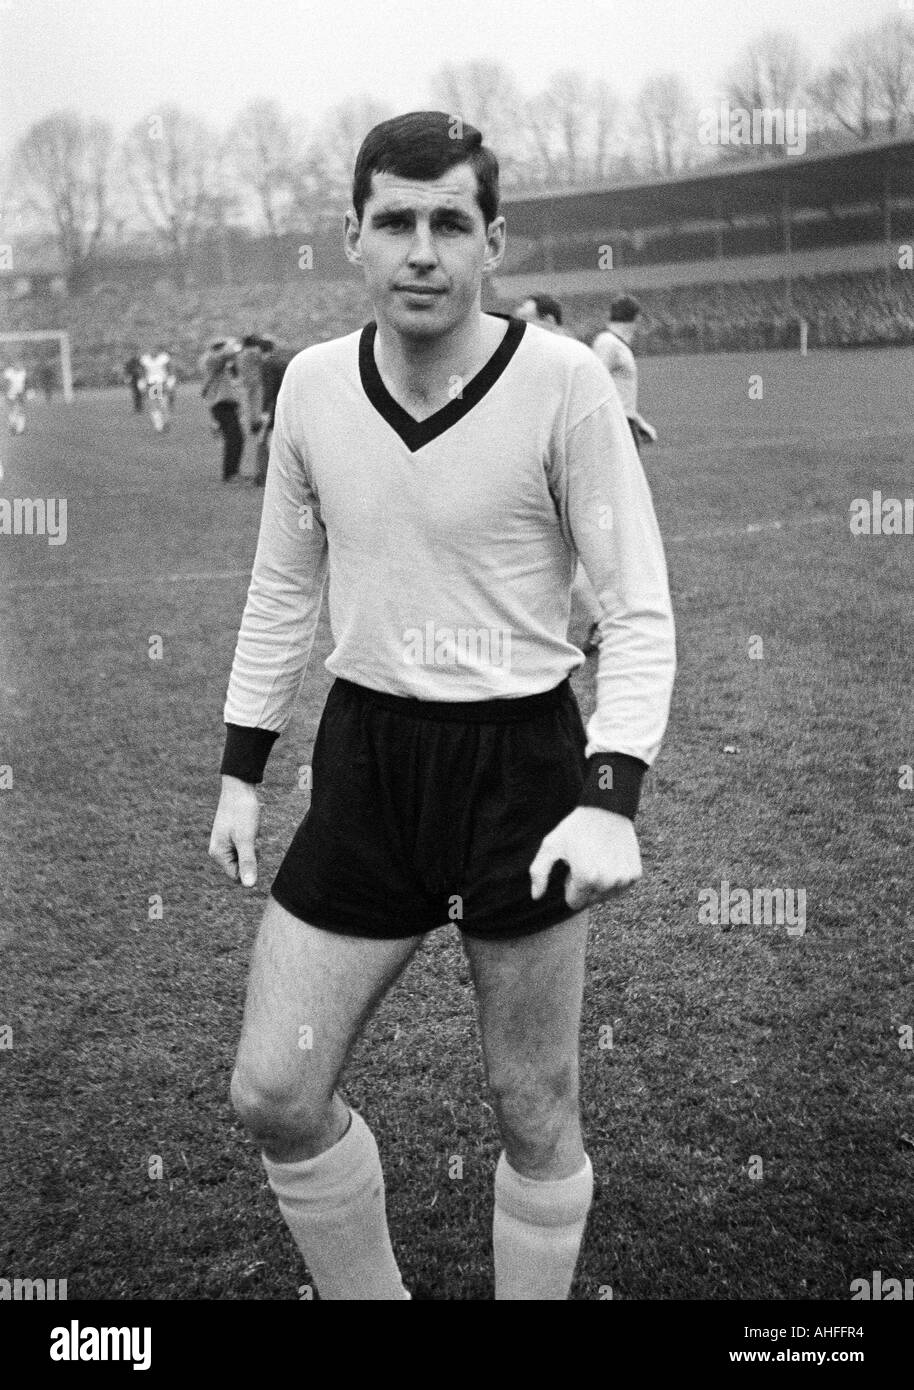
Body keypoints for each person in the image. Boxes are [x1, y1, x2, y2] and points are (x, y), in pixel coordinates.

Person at [209, 111, 676, 1301]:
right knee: (274, 1088)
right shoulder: (312, 385)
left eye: (449, 223)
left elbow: (636, 610)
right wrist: (240, 765)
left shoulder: (564, 382)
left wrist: (610, 792)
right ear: (353, 241)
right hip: (364, 761)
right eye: (395, 222)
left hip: (519, 767)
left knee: (533, 1104)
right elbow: (280, 585)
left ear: (492, 244)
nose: (421, 249)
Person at [514, 292, 601, 655]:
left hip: (573, 468)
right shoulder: (533, 355)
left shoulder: (569, 358)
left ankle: (606, 622)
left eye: (528, 319)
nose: (520, 326)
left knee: (570, 547)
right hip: (544, 467)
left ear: (549, 319)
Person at [591, 296, 657, 453]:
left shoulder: (616, 343)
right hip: (614, 425)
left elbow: (618, 392)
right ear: (636, 318)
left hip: (624, 422)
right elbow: (593, 384)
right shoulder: (608, 343)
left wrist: (638, 422)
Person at [200, 338, 244, 483]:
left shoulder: (221, 363)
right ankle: (230, 474)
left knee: (236, 438)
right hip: (221, 405)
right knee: (234, 438)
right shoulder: (213, 360)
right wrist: (233, 344)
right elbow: (227, 354)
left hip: (227, 404)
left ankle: (233, 472)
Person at [253, 338, 293, 488]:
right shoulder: (283, 362)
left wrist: (264, 411)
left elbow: (269, 388)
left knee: (264, 440)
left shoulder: (267, 364)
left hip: (273, 406)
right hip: (286, 404)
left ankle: (264, 475)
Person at [140, 346, 177, 432]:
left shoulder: (164, 358)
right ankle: (159, 424)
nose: (153, 351)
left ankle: (165, 422)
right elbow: (142, 373)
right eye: (151, 349)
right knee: (154, 405)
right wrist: (142, 384)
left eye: (155, 349)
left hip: (162, 383)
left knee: (164, 404)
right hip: (153, 385)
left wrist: (170, 383)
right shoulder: (145, 360)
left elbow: (170, 371)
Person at [3, 363, 28, 434]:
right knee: (14, 410)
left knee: (20, 410)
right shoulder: (9, 372)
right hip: (11, 394)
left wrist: (24, 392)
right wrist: (7, 393)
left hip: (20, 393)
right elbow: (6, 384)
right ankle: (12, 427)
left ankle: (20, 429)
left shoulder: (23, 372)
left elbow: (25, 383)